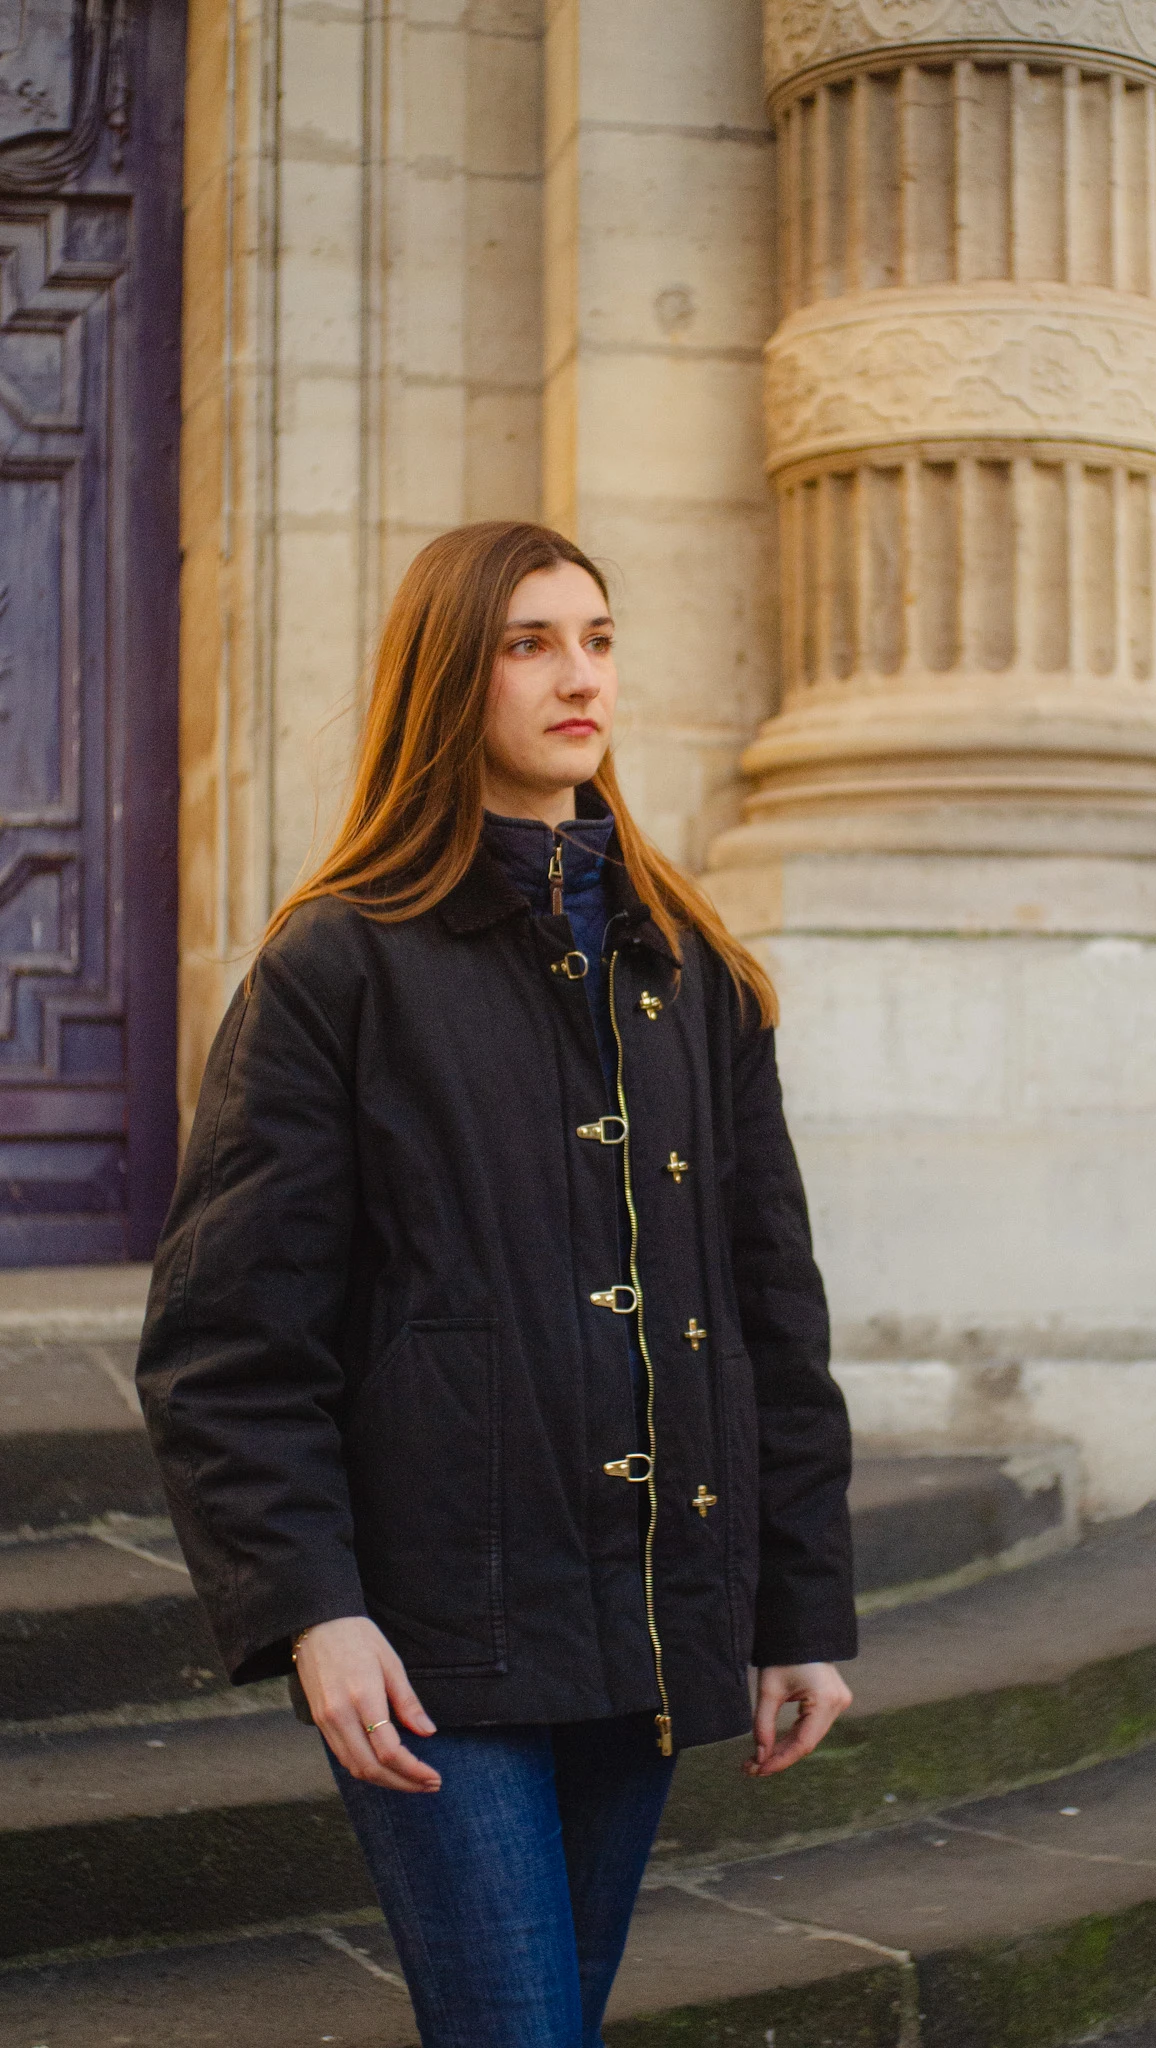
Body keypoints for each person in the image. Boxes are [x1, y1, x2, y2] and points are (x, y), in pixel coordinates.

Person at [136, 520, 857, 2048]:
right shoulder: (337, 966)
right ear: (449, 679)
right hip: (434, 1638)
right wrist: (314, 1610)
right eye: (529, 645)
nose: (578, 676)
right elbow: (224, 1341)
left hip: (649, 1610)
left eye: (597, 639)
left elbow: (772, 1314)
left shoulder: (693, 967)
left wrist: (799, 1602)